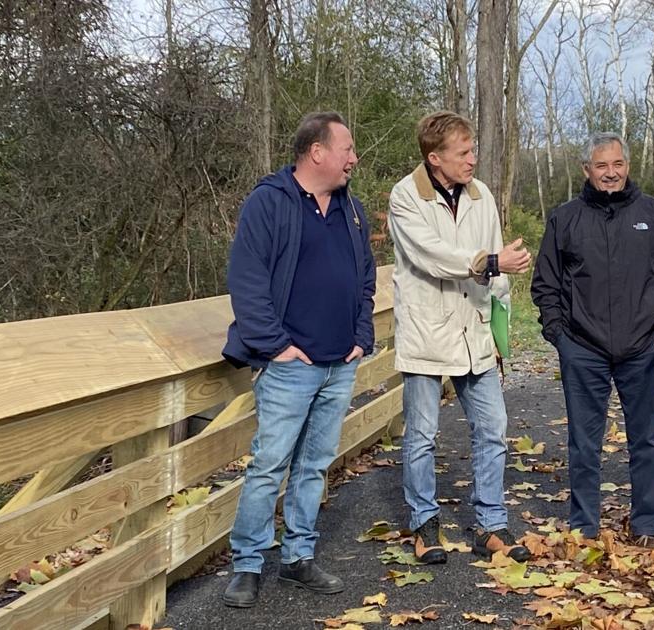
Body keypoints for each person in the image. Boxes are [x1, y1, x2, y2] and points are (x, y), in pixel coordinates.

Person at [220, 112, 376, 607]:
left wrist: (361, 334)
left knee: (314, 466)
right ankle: (247, 564)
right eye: (347, 149)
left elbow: (366, 278)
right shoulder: (269, 203)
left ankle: (298, 557)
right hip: (291, 365)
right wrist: (277, 347)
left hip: (339, 362)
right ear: (317, 152)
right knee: (269, 465)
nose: (353, 158)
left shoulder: (352, 209)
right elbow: (247, 282)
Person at [530, 132, 654, 544]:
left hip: (644, 349)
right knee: (584, 444)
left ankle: (647, 525)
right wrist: (560, 336)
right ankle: (584, 525)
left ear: (628, 166)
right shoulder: (565, 218)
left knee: (647, 442)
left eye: (617, 164)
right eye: (601, 166)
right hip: (583, 349)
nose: (610, 173)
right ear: (586, 170)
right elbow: (545, 285)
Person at [388, 111, 532, 564]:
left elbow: (499, 266)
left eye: (474, 150)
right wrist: (490, 262)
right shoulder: (405, 196)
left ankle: (490, 525)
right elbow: (433, 257)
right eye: (464, 152)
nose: (473, 159)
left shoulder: (480, 193)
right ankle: (424, 524)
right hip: (426, 333)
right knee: (422, 436)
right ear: (435, 158)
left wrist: (500, 331)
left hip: (475, 331)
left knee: (493, 429)